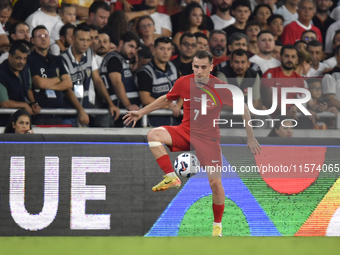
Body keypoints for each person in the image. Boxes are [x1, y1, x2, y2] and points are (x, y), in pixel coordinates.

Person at [123, 50, 261, 237]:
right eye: (196, 66)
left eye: (203, 67)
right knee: (153, 134)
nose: (199, 71)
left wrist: (250, 137)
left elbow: (243, 107)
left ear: (211, 67)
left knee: (215, 184)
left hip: (208, 139)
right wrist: (141, 112)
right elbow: (166, 99)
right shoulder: (183, 82)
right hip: (186, 132)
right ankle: (171, 177)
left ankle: (217, 227)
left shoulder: (220, 87)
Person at [60, 26, 119, 126]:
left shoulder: (89, 53)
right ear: (73, 39)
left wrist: (111, 104)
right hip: (68, 112)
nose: (85, 44)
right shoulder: (63, 59)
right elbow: (67, 90)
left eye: (88, 40)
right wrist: (81, 111)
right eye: (82, 40)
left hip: (84, 110)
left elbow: (97, 80)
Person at [28, 25, 73, 125]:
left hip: (58, 113)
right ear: (32, 40)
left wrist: (48, 83)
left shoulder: (58, 59)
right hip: (39, 113)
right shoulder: (29, 60)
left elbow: (68, 83)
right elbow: (39, 83)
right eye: (39, 36)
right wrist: (60, 79)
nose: (43, 38)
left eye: (46, 36)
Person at [99, 31, 140, 127]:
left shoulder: (120, 59)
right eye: (131, 46)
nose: (133, 51)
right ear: (121, 43)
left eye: (135, 49)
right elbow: (116, 82)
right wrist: (128, 105)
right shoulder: (114, 58)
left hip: (123, 111)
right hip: (119, 111)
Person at [137, 36, 181, 127]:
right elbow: (145, 99)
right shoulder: (145, 72)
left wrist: (178, 106)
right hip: (154, 123)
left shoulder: (174, 67)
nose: (165, 52)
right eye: (162, 49)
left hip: (175, 122)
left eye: (168, 49)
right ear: (154, 50)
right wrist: (168, 105)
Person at [0, 41, 40, 126]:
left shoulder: (25, 68)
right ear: (10, 56)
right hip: (4, 121)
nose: (22, 62)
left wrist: (33, 103)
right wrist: (24, 105)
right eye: (18, 58)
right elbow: (4, 103)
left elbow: (28, 88)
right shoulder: (1, 74)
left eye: (24, 58)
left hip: (22, 119)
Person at [261, 44, 306, 118]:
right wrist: (284, 111)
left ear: (297, 60)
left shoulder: (299, 79)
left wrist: (295, 107)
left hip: (289, 118)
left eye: (293, 57)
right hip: (268, 117)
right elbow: (267, 97)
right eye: (286, 56)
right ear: (280, 57)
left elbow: (299, 100)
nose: (290, 60)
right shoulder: (270, 73)